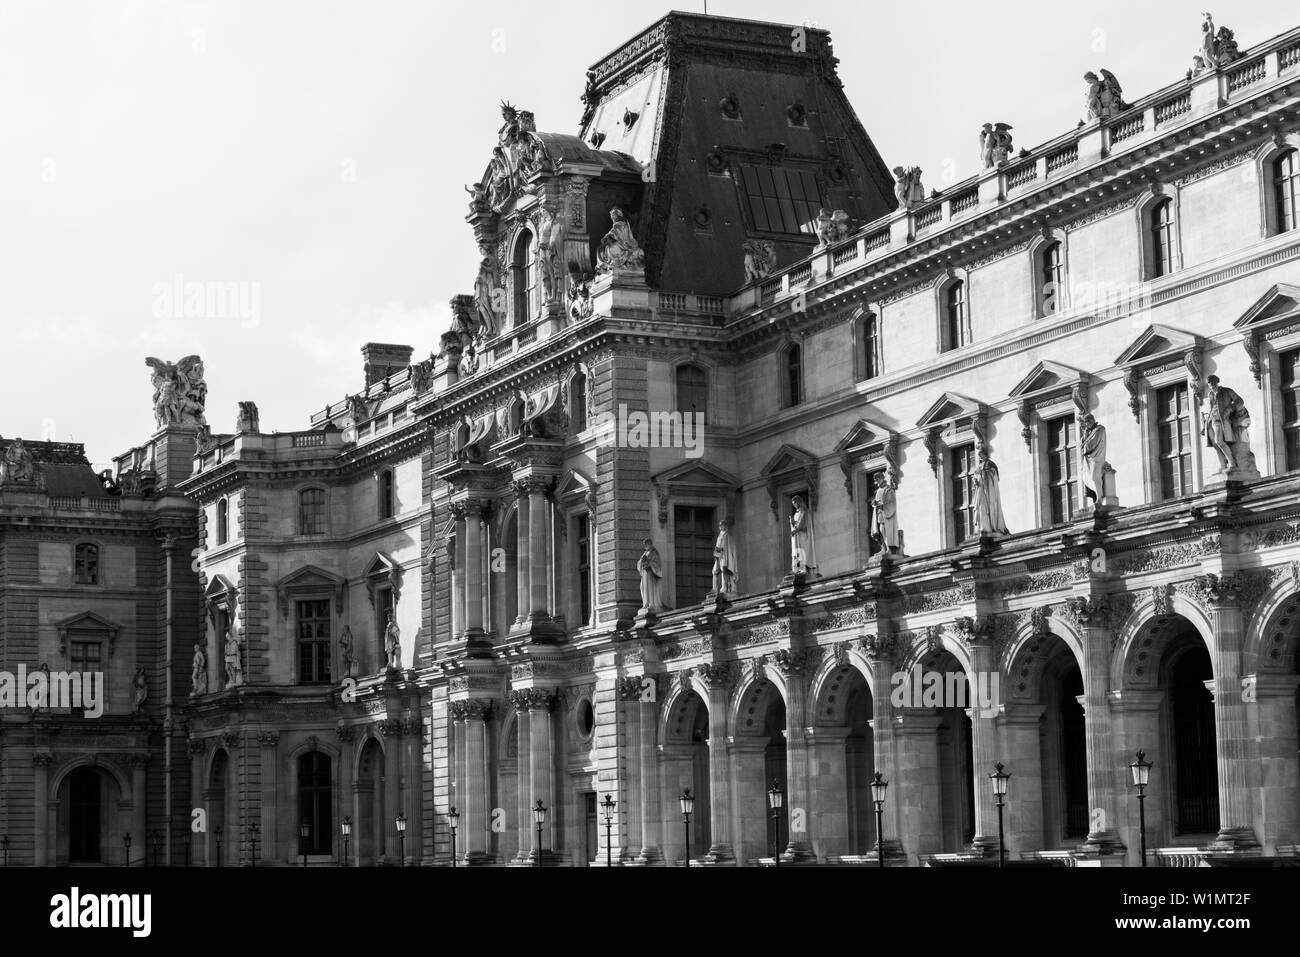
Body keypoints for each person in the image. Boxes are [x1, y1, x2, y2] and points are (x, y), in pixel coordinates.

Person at [973, 451, 1009, 536]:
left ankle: (990, 527)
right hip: (981, 489)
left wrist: (984, 473)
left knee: (990, 507)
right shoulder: (979, 466)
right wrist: (975, 479)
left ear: (986, 455)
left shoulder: (991, 464)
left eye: (982, 455)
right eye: (980, 456)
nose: (981, 457)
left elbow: (994, 475)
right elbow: (975, 475)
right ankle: (983, 527)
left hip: (989, 490)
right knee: (981, 506)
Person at [871, 474, 900, 554]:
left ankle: (889, 548)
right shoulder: (878, 491)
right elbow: (877, 502)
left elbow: (891, 501)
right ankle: (883, 548)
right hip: (880, 513)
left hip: (886, 513)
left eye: (877, 480)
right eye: (875, 481)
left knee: (883, 530)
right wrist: (874, 503)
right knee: (880, 530)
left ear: (881, 479)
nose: (876, 483)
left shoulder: (888, 489)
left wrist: (880, 503)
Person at [790, 495, 817, 575]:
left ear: (798, 502)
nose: (794, 505)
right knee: (797, 551)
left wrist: (796, 529)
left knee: (802, 550)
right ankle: (798, 567)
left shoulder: (804, 512)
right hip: (796, 536)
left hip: (803, 536)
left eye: (795, 503)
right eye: (793, 504)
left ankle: (803, 567)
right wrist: (792, 523)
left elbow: (802, 524)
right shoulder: (796, 514)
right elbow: (796, 525)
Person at [638, 539, 665, 612]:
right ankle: (646, 603)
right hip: (645, 574)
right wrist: (641, 562)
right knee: (643, 587)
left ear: (649, 544)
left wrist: (649, 563)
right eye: (644, 544)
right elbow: (640, 563)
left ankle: (651, 604)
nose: (644, 546)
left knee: (650, 588)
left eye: (645, 544)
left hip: (651, 573)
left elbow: (657, 563)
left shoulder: (654, 552)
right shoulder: (645, 553)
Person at [712, 521, 738, 596]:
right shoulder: (720, 536)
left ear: (724, 526)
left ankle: (725, 587)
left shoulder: (727, 536)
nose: (720, 527)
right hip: (719, 556)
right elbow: (718, 545)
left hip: (724, 556)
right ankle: (715, 589)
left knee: (724, 570)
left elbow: (728, 547)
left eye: (721, 525)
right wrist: (716, 553)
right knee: (714, 571)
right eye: (720, 526)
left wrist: (721, 550)